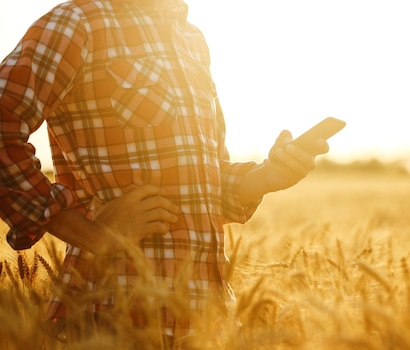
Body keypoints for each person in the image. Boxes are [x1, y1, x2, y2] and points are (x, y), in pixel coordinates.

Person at [0, 0, 329, 345]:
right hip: (112, 317)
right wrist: (88, 233)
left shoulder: (190, 39)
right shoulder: (76, 24)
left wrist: (265, 177)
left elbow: (202, 180)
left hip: (206, 321)